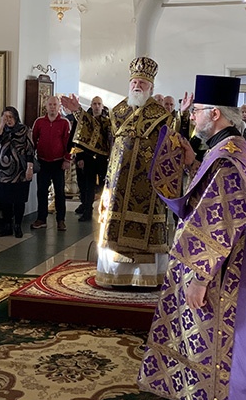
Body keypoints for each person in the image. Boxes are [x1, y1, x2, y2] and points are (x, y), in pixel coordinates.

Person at [139, 75, 246, 400]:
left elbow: (220, 222)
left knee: (208, 342)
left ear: (214, 113)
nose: (193, 117)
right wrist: (193, 161)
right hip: (227, 267)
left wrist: (200, 276)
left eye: (197, 111)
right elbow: (210, 194)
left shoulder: (228, 159)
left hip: (217, 273)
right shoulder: (231, 148)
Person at [61, 56, 174, 287]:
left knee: (146, 232)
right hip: (118, 186)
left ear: (151, 88)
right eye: (134, 81)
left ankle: (146, 278)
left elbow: (171, 150)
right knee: (114, 230)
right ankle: (115, 275)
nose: (136, 86)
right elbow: (99, 138)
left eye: (142, 83)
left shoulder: (163, 117)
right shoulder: (117, 112)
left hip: (148, 187)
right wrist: (79, 113)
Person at [31, 95, 71, 231]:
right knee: (41, 191)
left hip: (58, 163)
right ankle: (41, 219)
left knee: (59, 192)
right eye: (50, 105)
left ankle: (61, 220)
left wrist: (67, 159)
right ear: (46, 106)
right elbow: (33, 140)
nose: (52, 107)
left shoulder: (65, 123)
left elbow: (69, 143)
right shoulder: (39, 122)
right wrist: (31, 159)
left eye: (55, 104)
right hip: (43, 162)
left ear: (59, 106)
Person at [0, 106, 35, 238]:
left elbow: (30, 149)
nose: (8, 120)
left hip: (20, 172)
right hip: (3, 172)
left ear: (16, 117)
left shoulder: (24, 130)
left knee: (19, 200)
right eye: (6, 117)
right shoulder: (1, 130)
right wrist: (1, 124)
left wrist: (29, 167)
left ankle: (17, 225)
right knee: (4, 200)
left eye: (10, 117)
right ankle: (7, 225)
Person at [74, 96, 111, 223]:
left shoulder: (107, 122)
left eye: (99, 104)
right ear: (91, 105)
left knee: (103, 186)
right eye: (94, 104)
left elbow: (110, 141)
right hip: (88, 158)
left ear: (102, 106)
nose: (96, 106)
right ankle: (87, 211)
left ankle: (104, 211)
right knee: (88, 186)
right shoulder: (85, 121)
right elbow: (79, 140)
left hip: (102, 159)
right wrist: (79, 157)